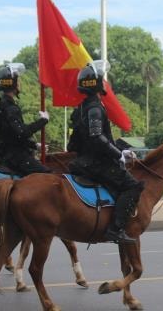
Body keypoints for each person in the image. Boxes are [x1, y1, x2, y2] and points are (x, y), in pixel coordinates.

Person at [67, 60, 144, 244]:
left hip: (82, 161)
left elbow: (73, 145)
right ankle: (115, 229)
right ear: (97, 84)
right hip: (96, 164)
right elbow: (97, 137)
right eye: (102, 79)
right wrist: (118, 155)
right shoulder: (95, 107)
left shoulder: (81, 108)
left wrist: (120, 149)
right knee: (133, 186)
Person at [0, 63, 51, 176]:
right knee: (49, 176)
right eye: (18, 81)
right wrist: (43, 120)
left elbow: (12, 136)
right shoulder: (10, 107)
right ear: (13, 84)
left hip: (1, 154)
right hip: (15, 157)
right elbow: (22, 132)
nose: (19, 83)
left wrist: (34, 145)